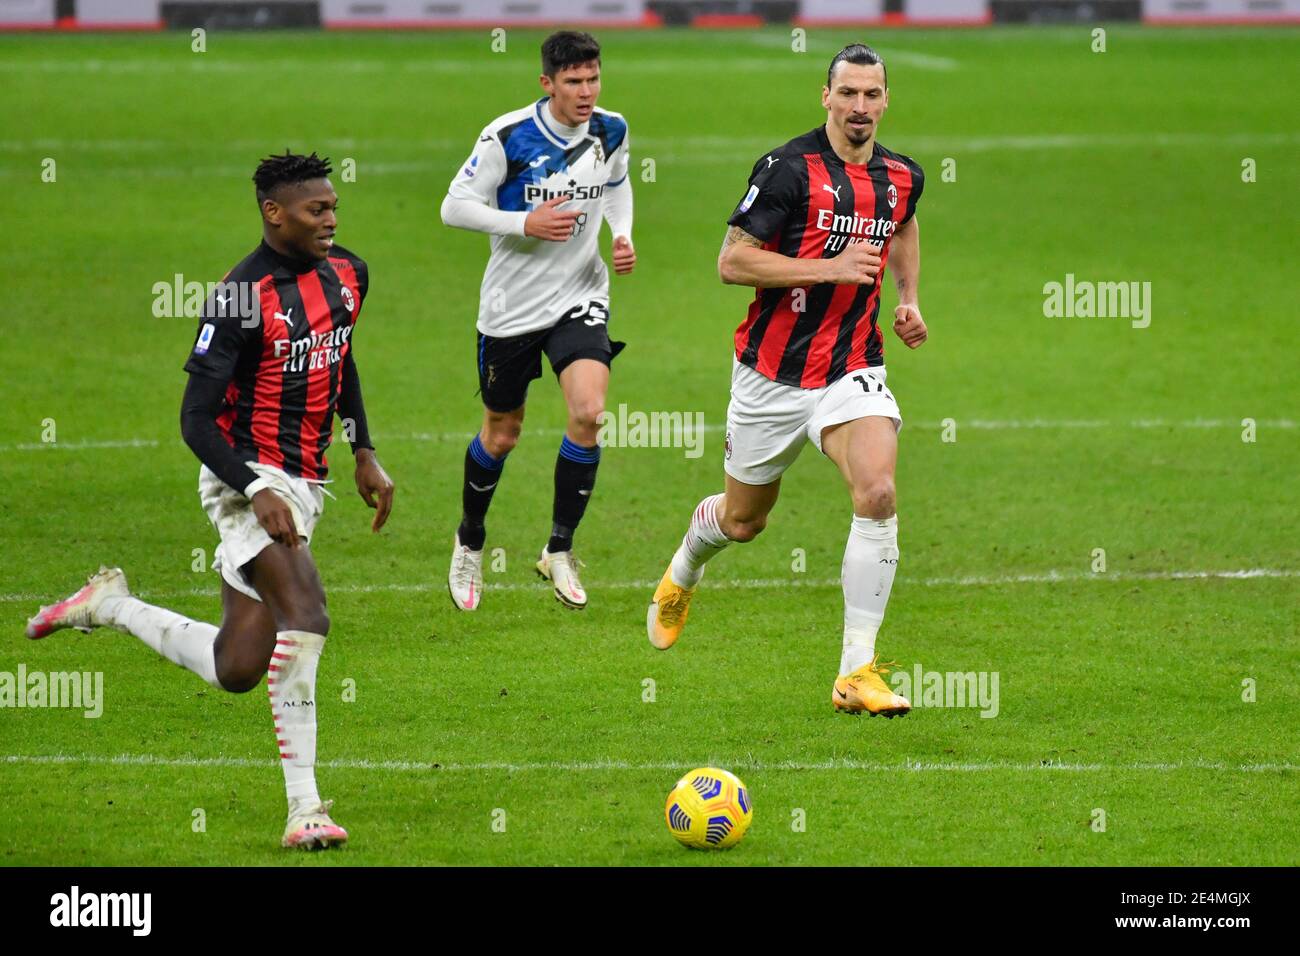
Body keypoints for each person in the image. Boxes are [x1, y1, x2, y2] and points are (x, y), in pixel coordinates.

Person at [25, 151, 395, 847]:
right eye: (316, 210)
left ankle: (109, 604)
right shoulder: (237, 296)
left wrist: (364, 450)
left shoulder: (349, 272)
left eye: (334, 207)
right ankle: (305, 809)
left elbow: (340, 358)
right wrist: (253, 487)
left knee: (238, 667)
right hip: (243, 474)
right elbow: (195, 418)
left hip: (305, 479)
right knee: (307, 618)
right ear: (272, 213)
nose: (331, 219)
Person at [646, 44, 928, 717]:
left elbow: (904, 225)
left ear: (886, 100)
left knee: (879, 491)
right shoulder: (786, 171)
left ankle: (856, 671)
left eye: (872, 94)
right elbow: (733, 262)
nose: (861, 107)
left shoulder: (901, 175)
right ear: (825, 97)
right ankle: (687, 560)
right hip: (770, 375)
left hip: (853, 366)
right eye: (849, 94)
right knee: (744, 523)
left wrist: (909, 297)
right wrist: (830, 269)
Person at [440, 29, 635, 612]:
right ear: (546, 83)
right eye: (573, 81)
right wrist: (522, 224)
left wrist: (621, 233)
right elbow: (454, 206)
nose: (585, 91)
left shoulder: (612, 128)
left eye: (593, 78)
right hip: (512, 308)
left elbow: (618, 182)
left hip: (580, 293)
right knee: (502, 433)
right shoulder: (506, 136)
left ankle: (559, 548)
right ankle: (470, 540)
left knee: (589, 412)